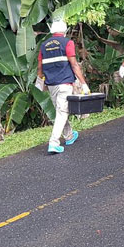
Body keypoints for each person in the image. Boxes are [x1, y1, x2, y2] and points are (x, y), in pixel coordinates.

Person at [36, 19, 90, 154]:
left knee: (60, 110)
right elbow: (74, 65)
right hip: (64, 83)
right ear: (64, 31)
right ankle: (53, 142)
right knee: (62, 112)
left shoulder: (44, 45)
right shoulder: (67, 43)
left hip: (51, 84)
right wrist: (83, 84)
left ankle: (69, 135)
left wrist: (40, 81)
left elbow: (39, 66)